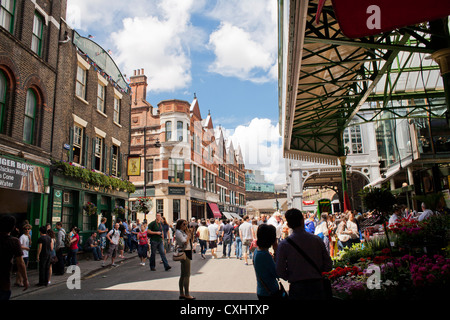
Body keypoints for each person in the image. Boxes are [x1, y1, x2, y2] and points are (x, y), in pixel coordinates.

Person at [276, 208, 333, 300]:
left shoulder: (284, 245)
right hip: (317, 286)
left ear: (289, 224)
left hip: (297, 288)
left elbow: (280, 271)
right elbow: (328, 265)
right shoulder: (317, 240)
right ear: (302, 220)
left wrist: (292, 275)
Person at [0, 215, 28, 300]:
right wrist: (25, 279)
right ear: (13, 227)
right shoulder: (14, 241)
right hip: (3, 282)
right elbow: (20, 263)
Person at [253, 224, 281, 300]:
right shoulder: (264, 255)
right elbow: (277, 273)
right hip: (269, 291)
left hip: (262, 290)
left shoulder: (257, 251)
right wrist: (276, 250)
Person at [175, 219, 196, 300]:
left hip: (187, 251)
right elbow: (185, 242)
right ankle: (186, 293)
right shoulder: (178, 232)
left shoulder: (183, 232)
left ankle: (182, 293)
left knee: (183, 274)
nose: (185, 226)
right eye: (184, 224)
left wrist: (190, 232)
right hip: (184, 252)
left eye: (186, 224)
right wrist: (189, 236)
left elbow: (191, 240)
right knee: (186, 274)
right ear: (180, 225)